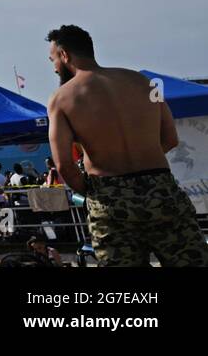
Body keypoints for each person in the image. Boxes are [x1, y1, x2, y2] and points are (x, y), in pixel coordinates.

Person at [45, 24, 208, 267]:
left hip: (110, 197)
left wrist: (94, 192)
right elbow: (171, 139)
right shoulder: (144, 82)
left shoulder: (61, 99)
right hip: (161, 188)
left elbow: (64, 165)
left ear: (65, 55)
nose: (54, 67)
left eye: (53, 60)